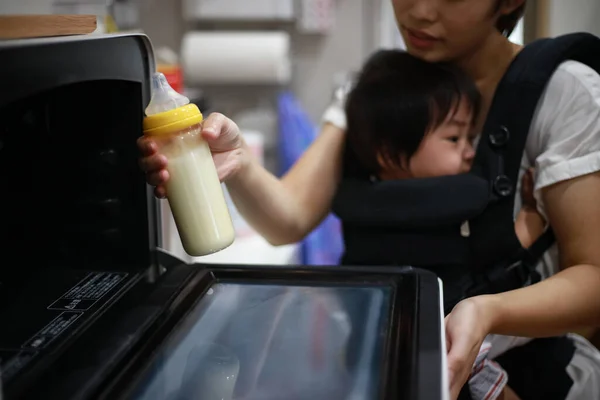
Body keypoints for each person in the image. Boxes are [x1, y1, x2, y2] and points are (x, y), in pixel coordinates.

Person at [138, 1, 600, 398]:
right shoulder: (382, 93)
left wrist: (488, 311)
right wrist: (236, 161)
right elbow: (289, 218)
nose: (419, 10)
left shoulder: (563, 93)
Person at [345, 48, 532, 400]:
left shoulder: (361, 204)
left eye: (470, 138)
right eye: (454, 138)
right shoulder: (408, 219)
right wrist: (527, 229)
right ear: (388, 154)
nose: (470, 151)